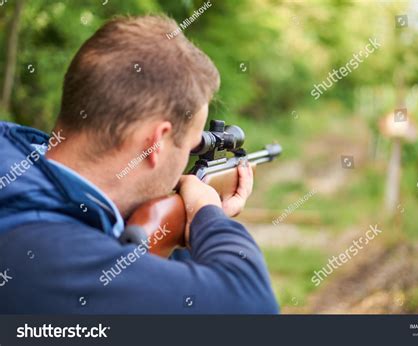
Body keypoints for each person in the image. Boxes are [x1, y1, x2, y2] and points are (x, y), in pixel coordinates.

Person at [0, 15, 278, 314]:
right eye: (190, 146)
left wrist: (172, 230)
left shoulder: (19, 181)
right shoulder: (51, 250)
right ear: (155, 142)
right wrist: (206, 215)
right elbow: (253, 306)